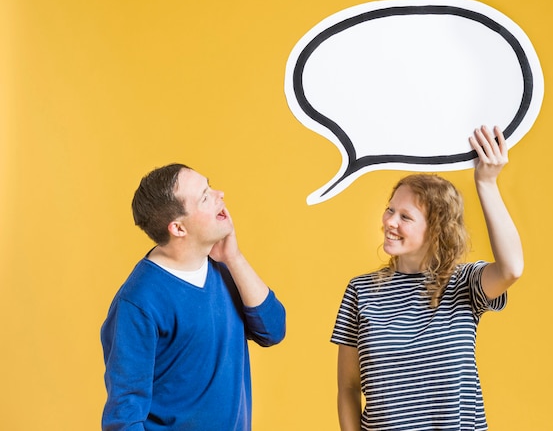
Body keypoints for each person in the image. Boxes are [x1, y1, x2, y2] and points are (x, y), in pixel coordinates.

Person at [331, 126, 524, 431]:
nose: (389, 222)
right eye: (390, 210)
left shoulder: (464, 284)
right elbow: (349, 388)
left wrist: (486, 183)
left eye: (405, 217)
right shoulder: (361, 291)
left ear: (437, 230)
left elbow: (512, 268)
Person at [101, 163, 286, 431]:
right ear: (178, 228)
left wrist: (233, 257)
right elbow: (124, 416)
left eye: (210, 187)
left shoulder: (223, 269)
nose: (219, 194)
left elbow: (273, 330)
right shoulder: (138, 303)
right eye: (204, 196)